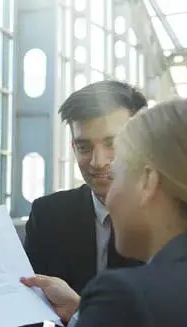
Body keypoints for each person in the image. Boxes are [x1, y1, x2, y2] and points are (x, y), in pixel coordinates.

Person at [22, 97, 187, 326]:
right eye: (84, 147)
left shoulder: (125, 296)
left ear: (148, 182)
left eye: (118, 175)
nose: (98, 164)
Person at [23, 81, 145, 293]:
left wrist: (78, 312)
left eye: (112, 144)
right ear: (73, 147)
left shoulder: (172, 222)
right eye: (84, 147)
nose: (98, 161)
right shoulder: (48, 216)